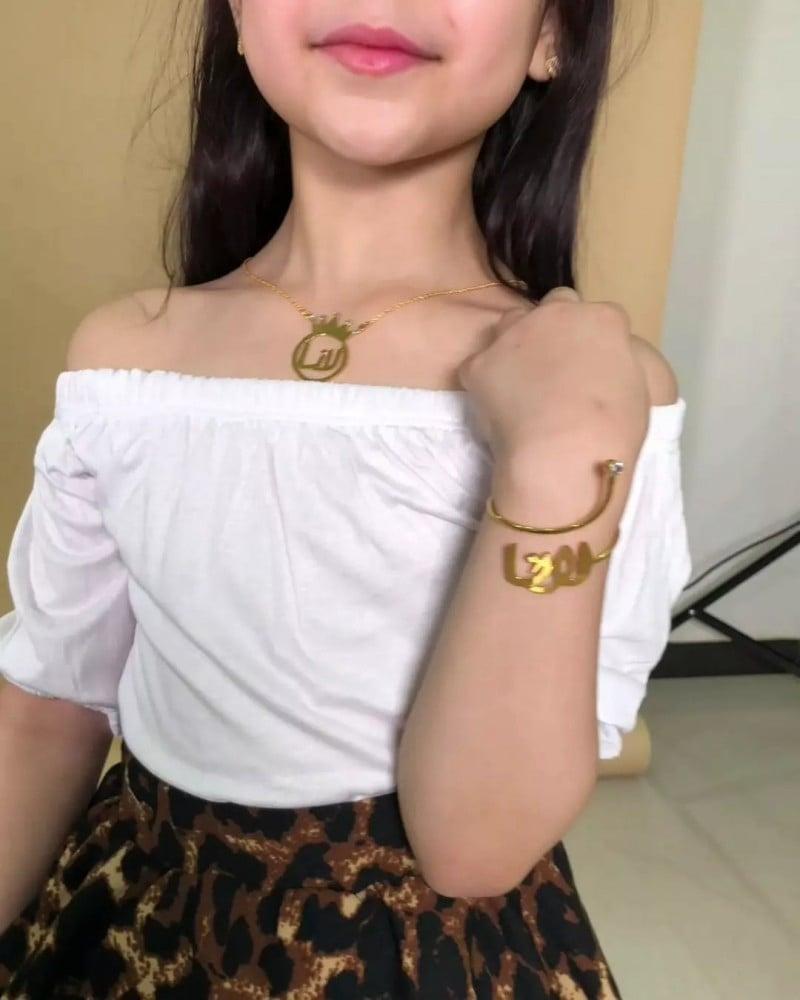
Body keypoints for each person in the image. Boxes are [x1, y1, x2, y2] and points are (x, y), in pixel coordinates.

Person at [0, 0, 693, 996]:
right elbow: (48, 705)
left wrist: (555, 461)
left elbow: (475, 844)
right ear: (240, 16)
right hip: (136, 925)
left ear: (552, 36)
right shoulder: (125, 362)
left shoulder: (599, 395)